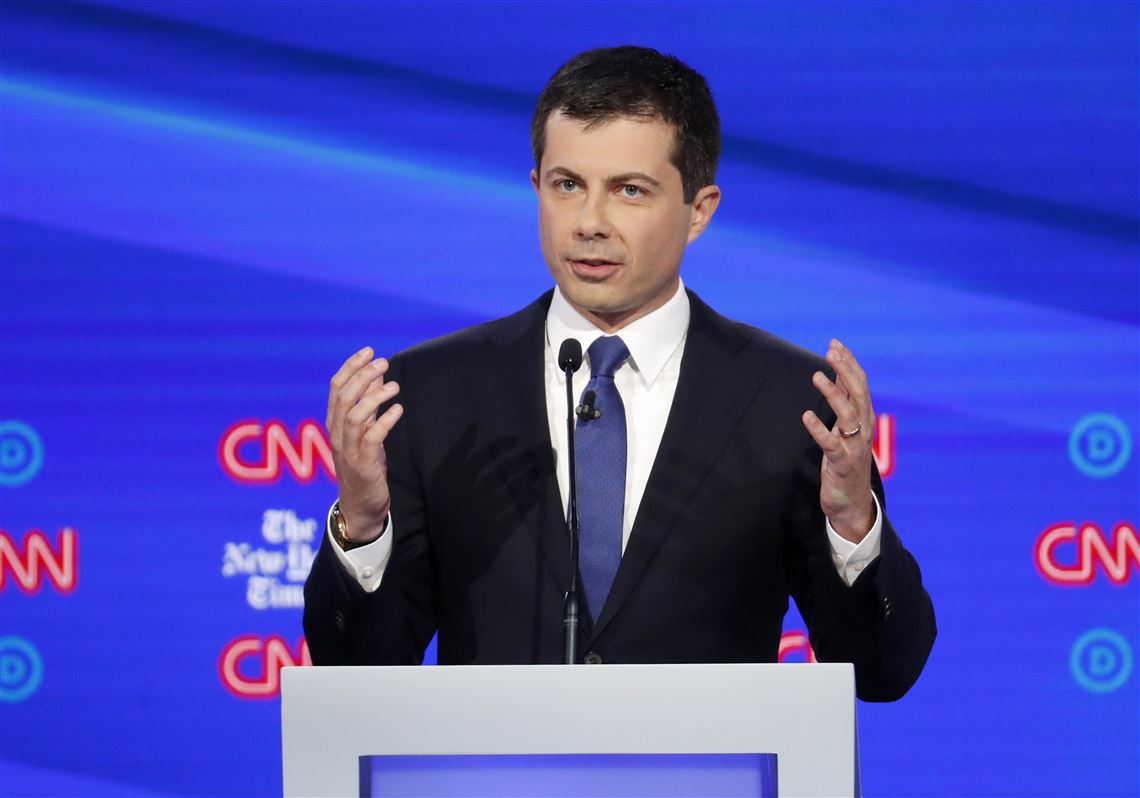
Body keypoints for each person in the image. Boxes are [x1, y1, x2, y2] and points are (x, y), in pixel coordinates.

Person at [303, 46, 935, 701]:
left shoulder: (790, 403)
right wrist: (363, 526)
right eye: (566, 185)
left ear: (699, 210)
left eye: (629, 191)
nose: (589, 223)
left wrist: (851, 523)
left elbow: (883, 671)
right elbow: (357, 682)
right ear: (536, 187)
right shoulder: (431, 395)